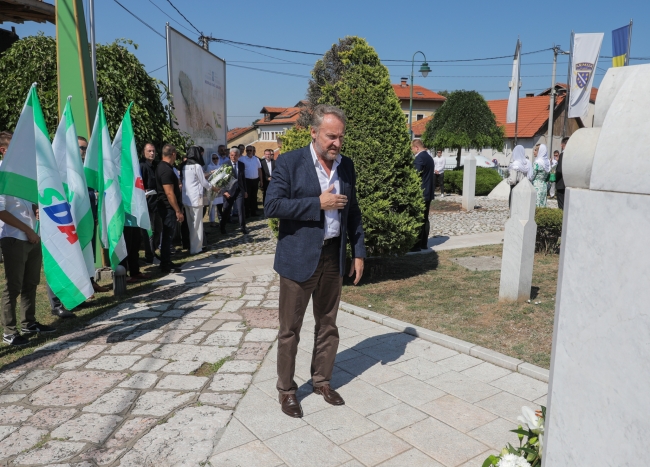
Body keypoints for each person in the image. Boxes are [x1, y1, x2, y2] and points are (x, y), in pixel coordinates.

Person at [265, 104, 365, 419]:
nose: (336, 143)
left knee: (328, 324)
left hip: (334, 256)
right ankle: (287, 391)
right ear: (313, 132)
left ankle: (322, 380)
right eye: (330, 136)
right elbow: (272, 205)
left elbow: (354, 212)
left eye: (340, 137)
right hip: (298, 259)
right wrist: (317, 204)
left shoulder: (345, 166)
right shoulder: (290, 163)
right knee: (290, 329)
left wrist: (358, 251)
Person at [0, 194, 56, 346]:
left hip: (32, 236)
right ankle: (9, 332)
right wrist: (27, 230)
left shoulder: (23, 174)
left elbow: (29, 203)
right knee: (13, 286)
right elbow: (1, 211)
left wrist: (36, 209)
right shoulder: (4, 175)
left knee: (31, 282)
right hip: (14, 238)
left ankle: (29, 323)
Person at [79, 136, 109, 294]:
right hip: (78, 220)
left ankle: (91, 281)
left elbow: (92, 193)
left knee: (90, 251)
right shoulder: (70, 169)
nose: (83, 152)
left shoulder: (86, 168)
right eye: (81, 148)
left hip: (91, 216)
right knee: (80, 253)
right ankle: (83, 287)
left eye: (85, 148)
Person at [182, 146, 219, 254]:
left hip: (186, 198)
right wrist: (214, 188)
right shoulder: (197, 166)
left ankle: (191, 246)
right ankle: (196, 248)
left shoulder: (183, 165)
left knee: (190, 224)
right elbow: (204, 182)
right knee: (197, 224)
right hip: (195, 198)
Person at [156, 144, 183, 273]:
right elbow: (169, 193)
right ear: (173, 154)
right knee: (167, 237)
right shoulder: (165, 170)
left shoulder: (164, 167)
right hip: (168, 208)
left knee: (168, 236)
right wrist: (177, 210)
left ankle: (166, 261)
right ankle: (165, 264)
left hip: (167, 207)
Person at [140, 143, 162, 263]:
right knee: (149, 231)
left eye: (153, 151)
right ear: (144, 152)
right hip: (147, 203)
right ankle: (150, 256)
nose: (152, 153)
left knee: (158, 229)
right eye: (149, 151)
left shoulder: (156, 165)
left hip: (157, 203)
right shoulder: (142, 166)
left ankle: (154, 251)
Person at [411, 139, 434, 251]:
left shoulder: (419, 158)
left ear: (416, 147)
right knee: (425, 219)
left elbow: (416, 176)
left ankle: (416, 245)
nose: (412, 152)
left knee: (418, 218)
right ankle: (424, 244)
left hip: (421, 193)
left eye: (412, 149)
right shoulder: (429, 157)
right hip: (428, 192)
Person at [220, 148, 248, 235]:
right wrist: (224, 191)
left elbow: (243, 179)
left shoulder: (241, 165)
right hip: (229, 191)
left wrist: (245, 191)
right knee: (227, 209)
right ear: (229, 155)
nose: (233, 157)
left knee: (241, 209)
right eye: (232, 155)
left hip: (239, 190)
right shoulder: (225, 164)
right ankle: (222, 227)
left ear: (238, 156)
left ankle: (243, 227)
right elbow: (222, 179)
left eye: (235, 155)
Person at [242, 145, 263, 217]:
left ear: (253, 151)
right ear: (246, 151)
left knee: (254, 197)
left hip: (255, 180)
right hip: (247, 180)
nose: (249, 152)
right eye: (247, 150)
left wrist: (261, 180)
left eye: (250, 150)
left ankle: (253, 212)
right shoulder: (242, 159)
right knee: (247, 197)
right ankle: (246, 213)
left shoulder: (256, 159)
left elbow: (259, 170)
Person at [529, 143, 551, 207]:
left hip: (536, 185)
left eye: (535, 150)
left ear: (540, 151)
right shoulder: (547, 163)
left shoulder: (537, 163)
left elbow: (532, 176)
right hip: (544, 186)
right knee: (542, 204)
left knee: (536, 204)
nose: (534, 151)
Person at [555, 137, 569, 210]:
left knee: (561, 206)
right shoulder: (571, 155)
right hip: (568, 183)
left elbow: (559, 170)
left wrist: (555, 176)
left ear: (561, 145)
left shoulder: (562, 155)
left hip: (561, 183)